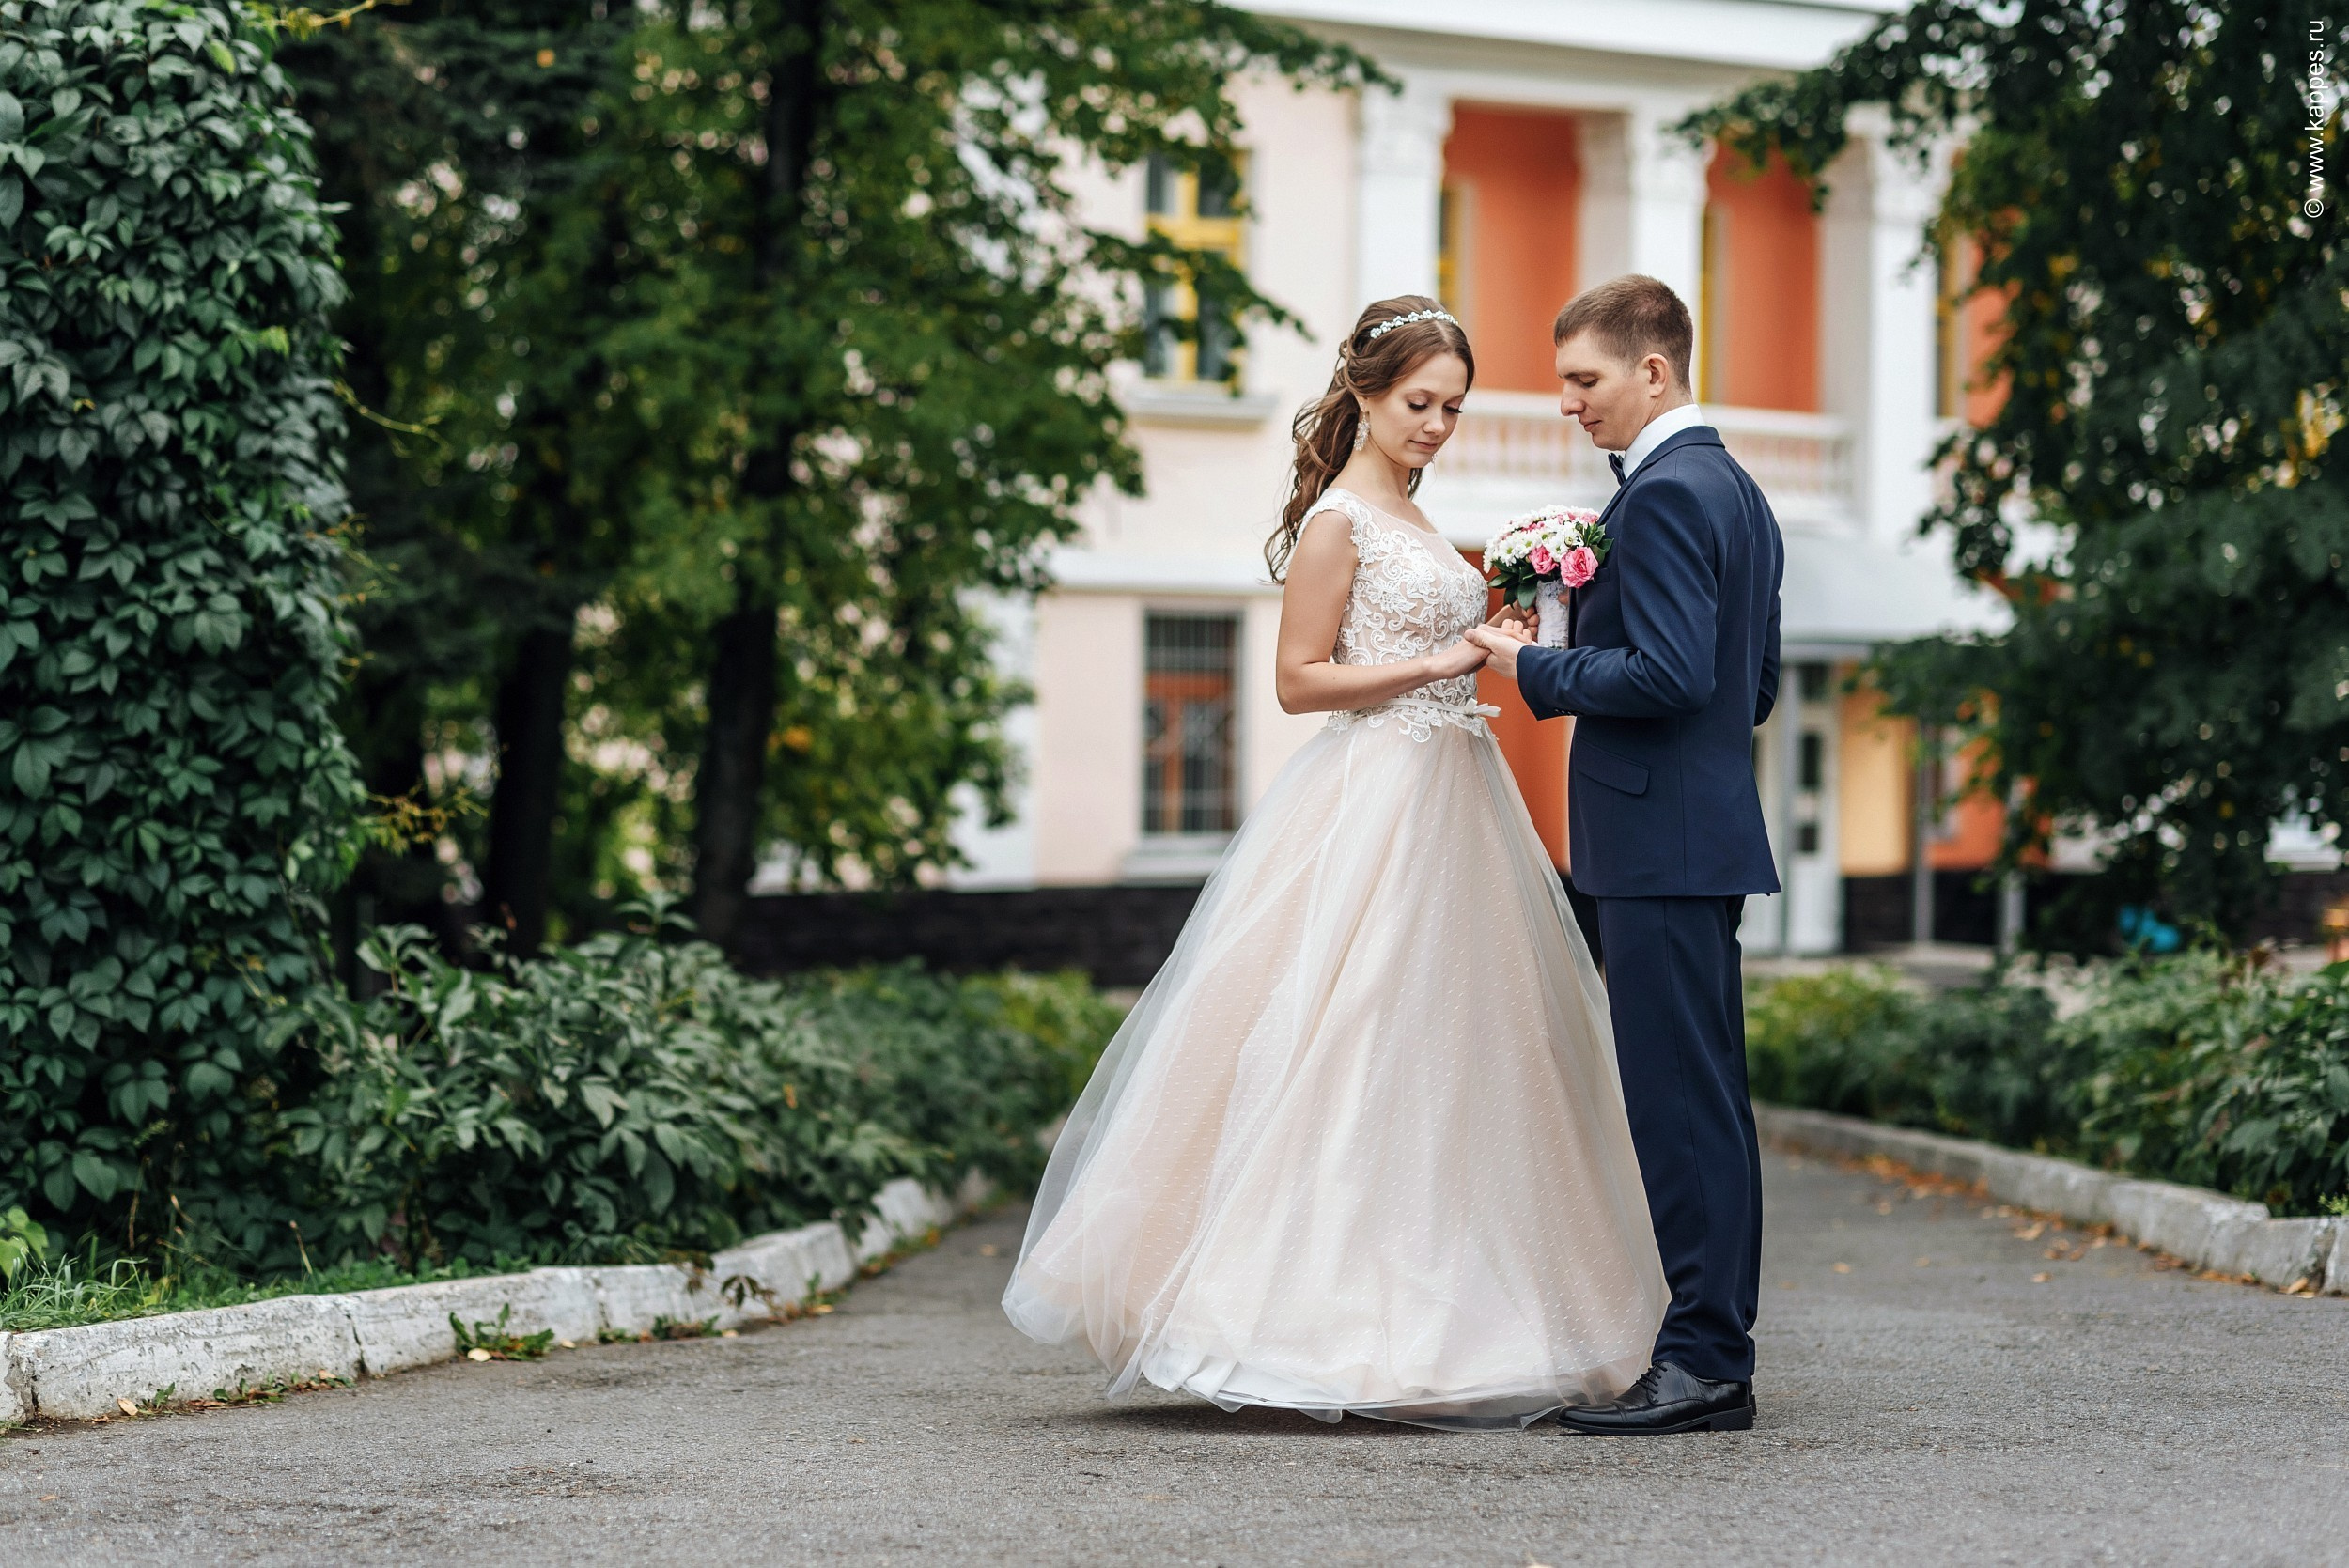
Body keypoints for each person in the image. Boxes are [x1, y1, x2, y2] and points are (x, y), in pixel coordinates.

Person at [1000, 295, 1669, 1430]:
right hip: (1373, 799)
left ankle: (1481, 1301)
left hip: (1460, 796)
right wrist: (1446, 660)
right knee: (1348, 1030)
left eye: (1453, 408)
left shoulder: (1415, 511)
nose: (1436, 426)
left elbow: (1451, 647)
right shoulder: (1334, 525)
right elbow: (1299, 682)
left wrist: (1508, 621)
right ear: (1363, 393)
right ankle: (1309, 1316)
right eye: (1419, 403)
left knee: (1469, 1049)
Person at [1469, 274, 1784, 1436]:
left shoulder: (1660, 498)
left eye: (1583, 379)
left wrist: (1528, 668)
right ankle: (1711, 1347)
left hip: (1655, 848)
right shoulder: (1737, 492)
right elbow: (1747, 687)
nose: (1566, 403)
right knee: (1704, 1100)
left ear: (1653, 371)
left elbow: (1669, 677)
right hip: (1695, 836)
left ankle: (1705, 1361)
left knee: (1679, 1105)